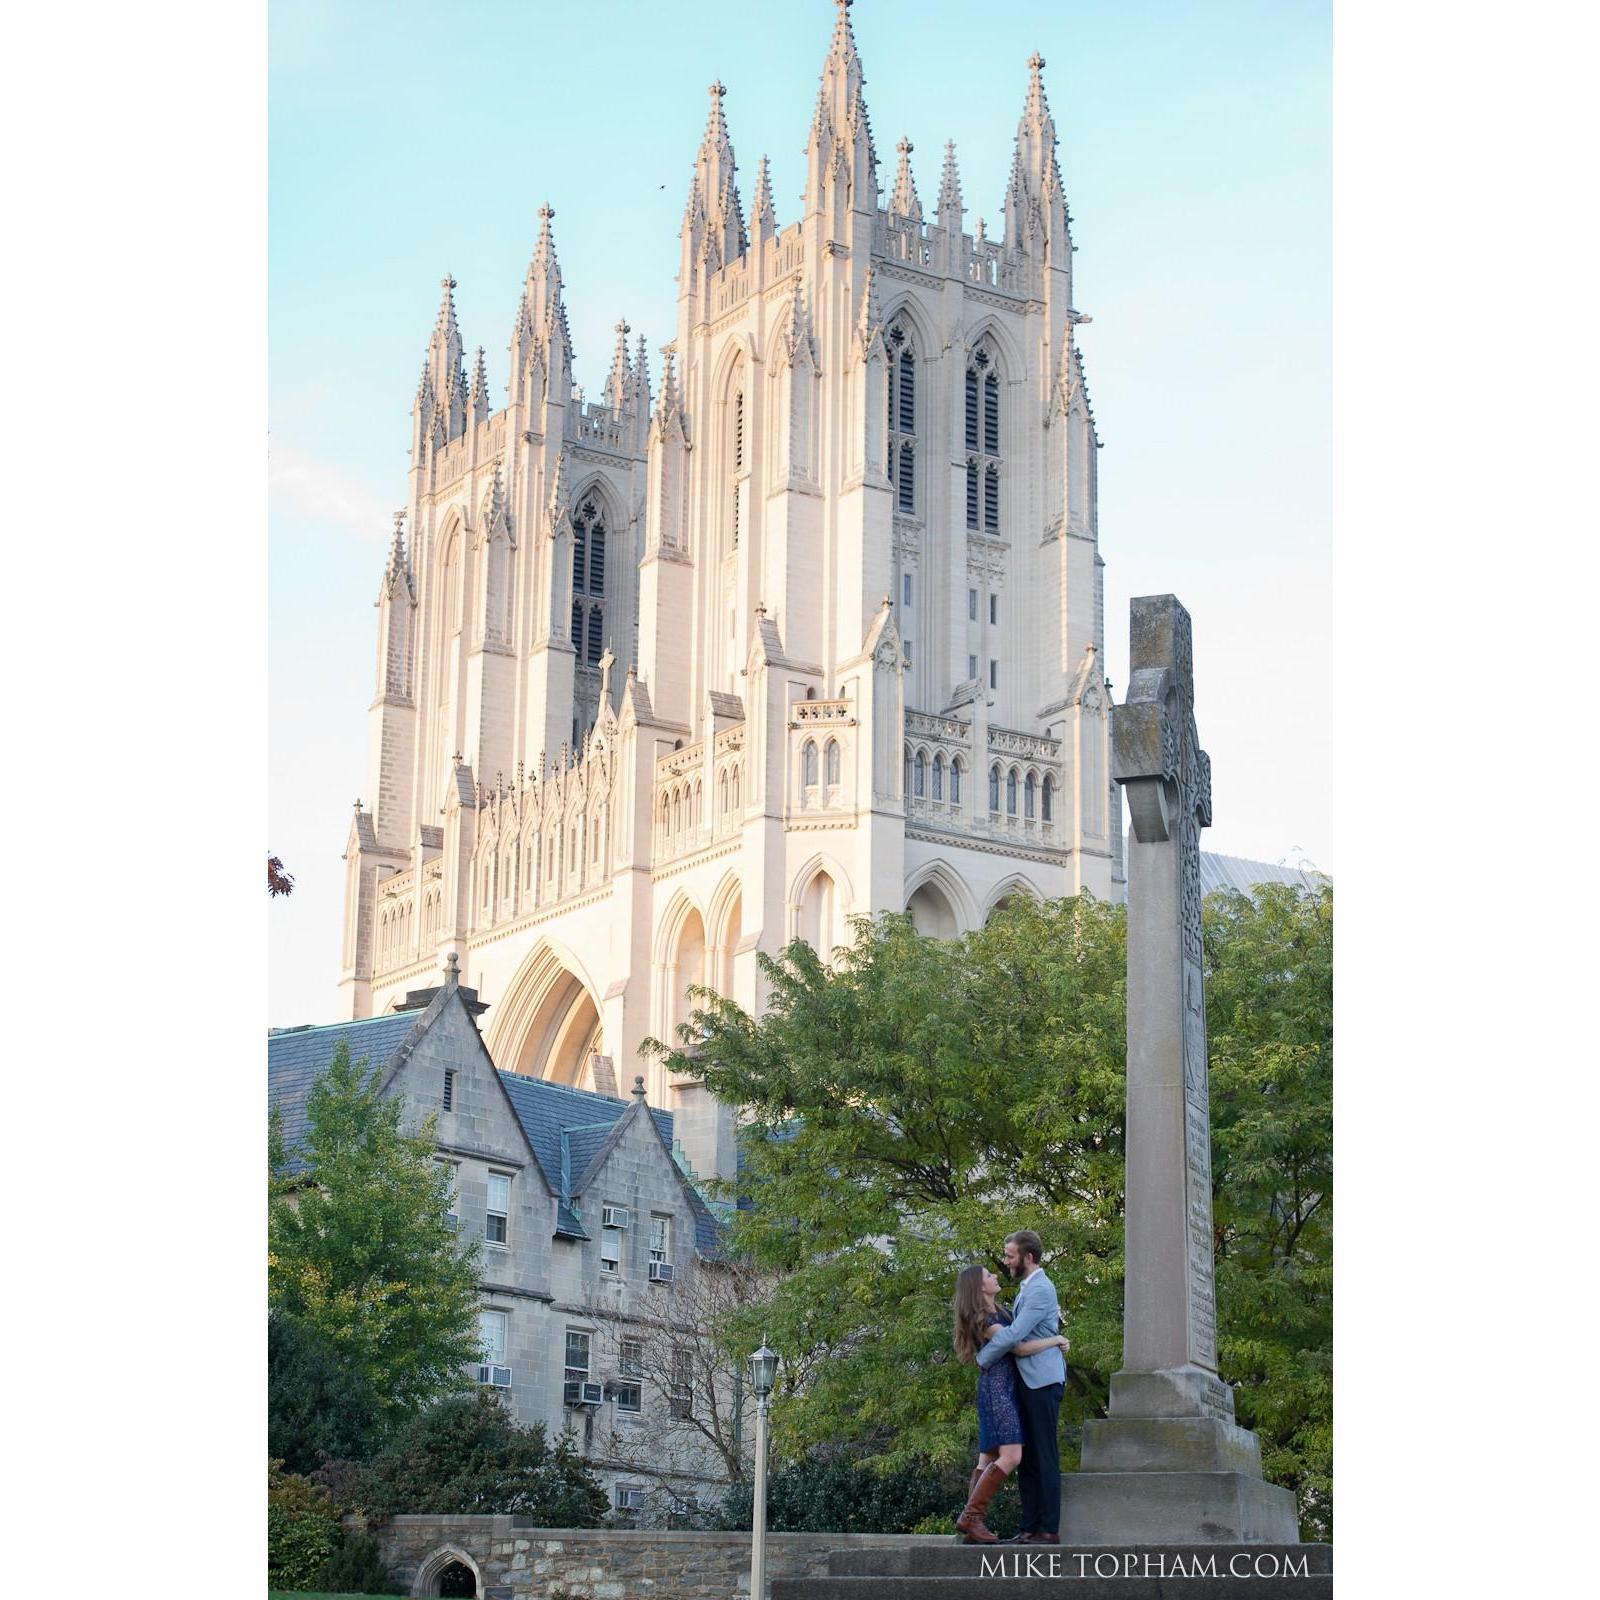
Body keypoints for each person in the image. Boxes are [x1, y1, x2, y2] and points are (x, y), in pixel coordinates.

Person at [951, 1262, 1070, 1544]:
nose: (995, 1276)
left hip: (1009, 1388)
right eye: (989, 1275)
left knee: (988, 1457)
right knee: (1012, 1456)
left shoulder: (1000, 1311)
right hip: (998, 1389)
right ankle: (971, 1516)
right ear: (980, 1287)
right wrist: (1055, 1339)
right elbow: (1017, 1346)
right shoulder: (985, 1320)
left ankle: (973, 1524)